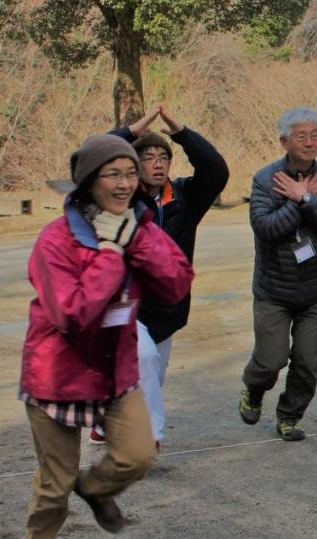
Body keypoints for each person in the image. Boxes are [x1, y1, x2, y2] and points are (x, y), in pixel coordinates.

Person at [19, 134, 193, 537]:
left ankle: (95, 489)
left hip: (115, 368)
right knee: (53, 489)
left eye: (131, 174)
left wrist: (133, 241)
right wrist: (110, 257)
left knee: (138, 455)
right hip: (57, 375)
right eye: (112, 174)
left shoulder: (136, 225)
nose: (124, 184)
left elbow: (176, 284)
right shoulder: (55, 239)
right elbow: (72, 313)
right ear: (89, 182)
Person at [89, 106, 228, 448]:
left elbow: (216, 170)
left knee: (150, 373)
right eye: (148, 156)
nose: (157, 162)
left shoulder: (185, 198)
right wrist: (131, 133)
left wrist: (182, 134)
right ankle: (148, 438)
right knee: (145, 359)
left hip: (168, 309)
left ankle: (106, 421)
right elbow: (91, 157)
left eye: (163, 156)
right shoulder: (118, 197)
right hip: (124, 303)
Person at [238, 107, 317, 441]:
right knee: (271, 360)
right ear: (284, 140)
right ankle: (254, 389)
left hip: (316, 290)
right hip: (274, 290)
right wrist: (298, 203)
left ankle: (289, 415)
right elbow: (266, 227)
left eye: (314, 135)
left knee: (307, 361)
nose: (310, 142)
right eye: (301, 136)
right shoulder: (265, 179)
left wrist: (307, 197)